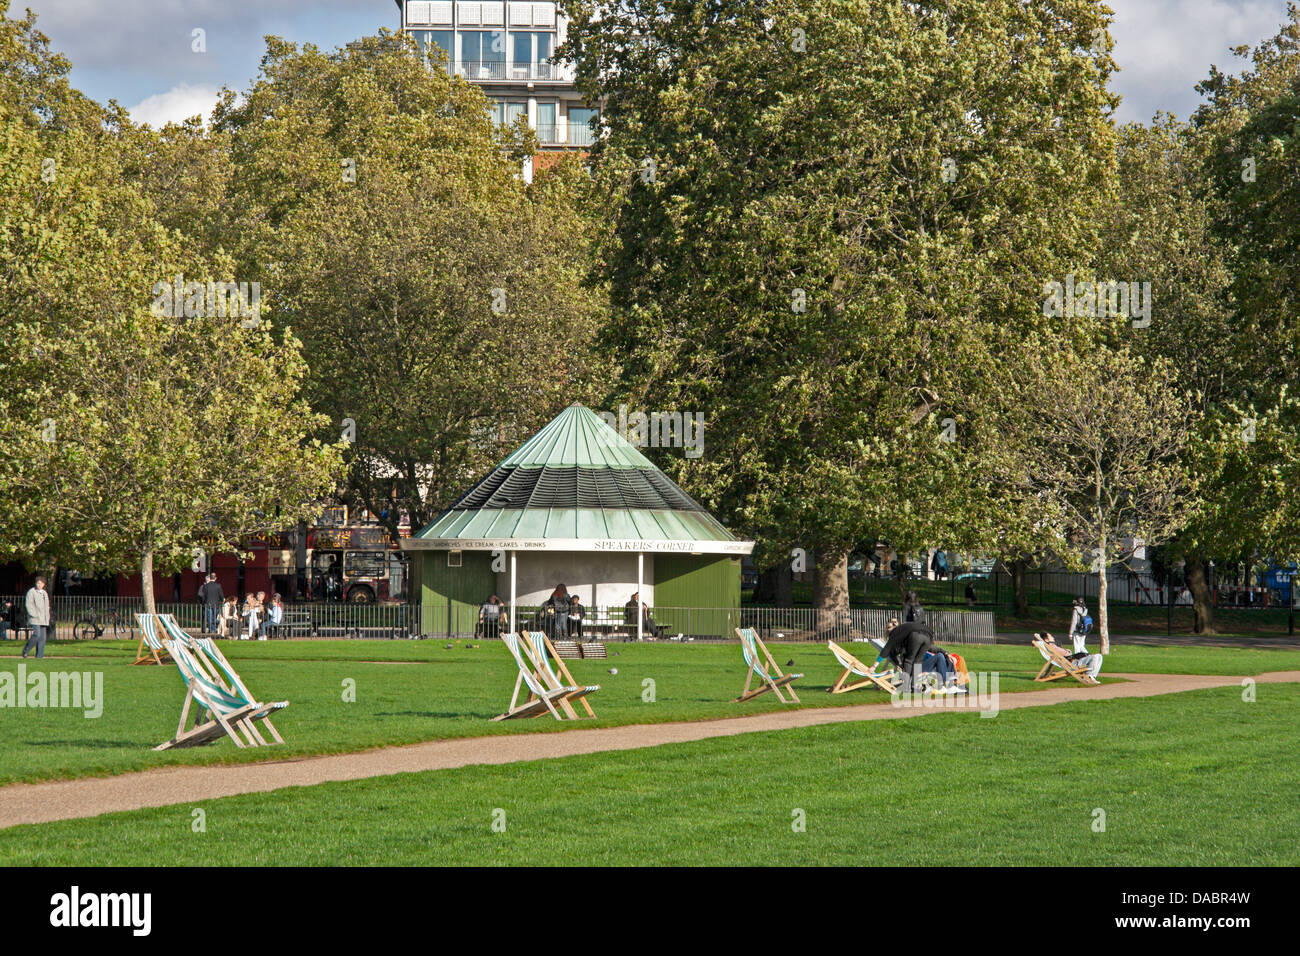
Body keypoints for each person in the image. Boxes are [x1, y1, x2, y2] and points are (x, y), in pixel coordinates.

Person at [875, 617, 936, 693]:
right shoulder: (904, 629)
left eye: (889, 628)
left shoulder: (895, 632)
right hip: (928, 636)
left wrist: (874, 665)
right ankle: (914, 686)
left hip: (917, 636)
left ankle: (906, 686)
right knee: (918, 661)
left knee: (909, 660)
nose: (888, 630)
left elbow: (887, 648)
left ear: (894, 627)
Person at [22, 575, 51, 659]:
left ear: (44, 584)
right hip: (35, 618)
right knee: (36, 635)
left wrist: (47, 617)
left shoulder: (44, 593)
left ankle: (39, 656)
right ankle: (26, 650)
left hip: (44, 619)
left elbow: (47, 606)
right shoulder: (31, 592)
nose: (39, 585)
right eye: (38, 583)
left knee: (43, 638)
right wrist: (34, 614)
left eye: (41, 583)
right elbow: (29, 604)